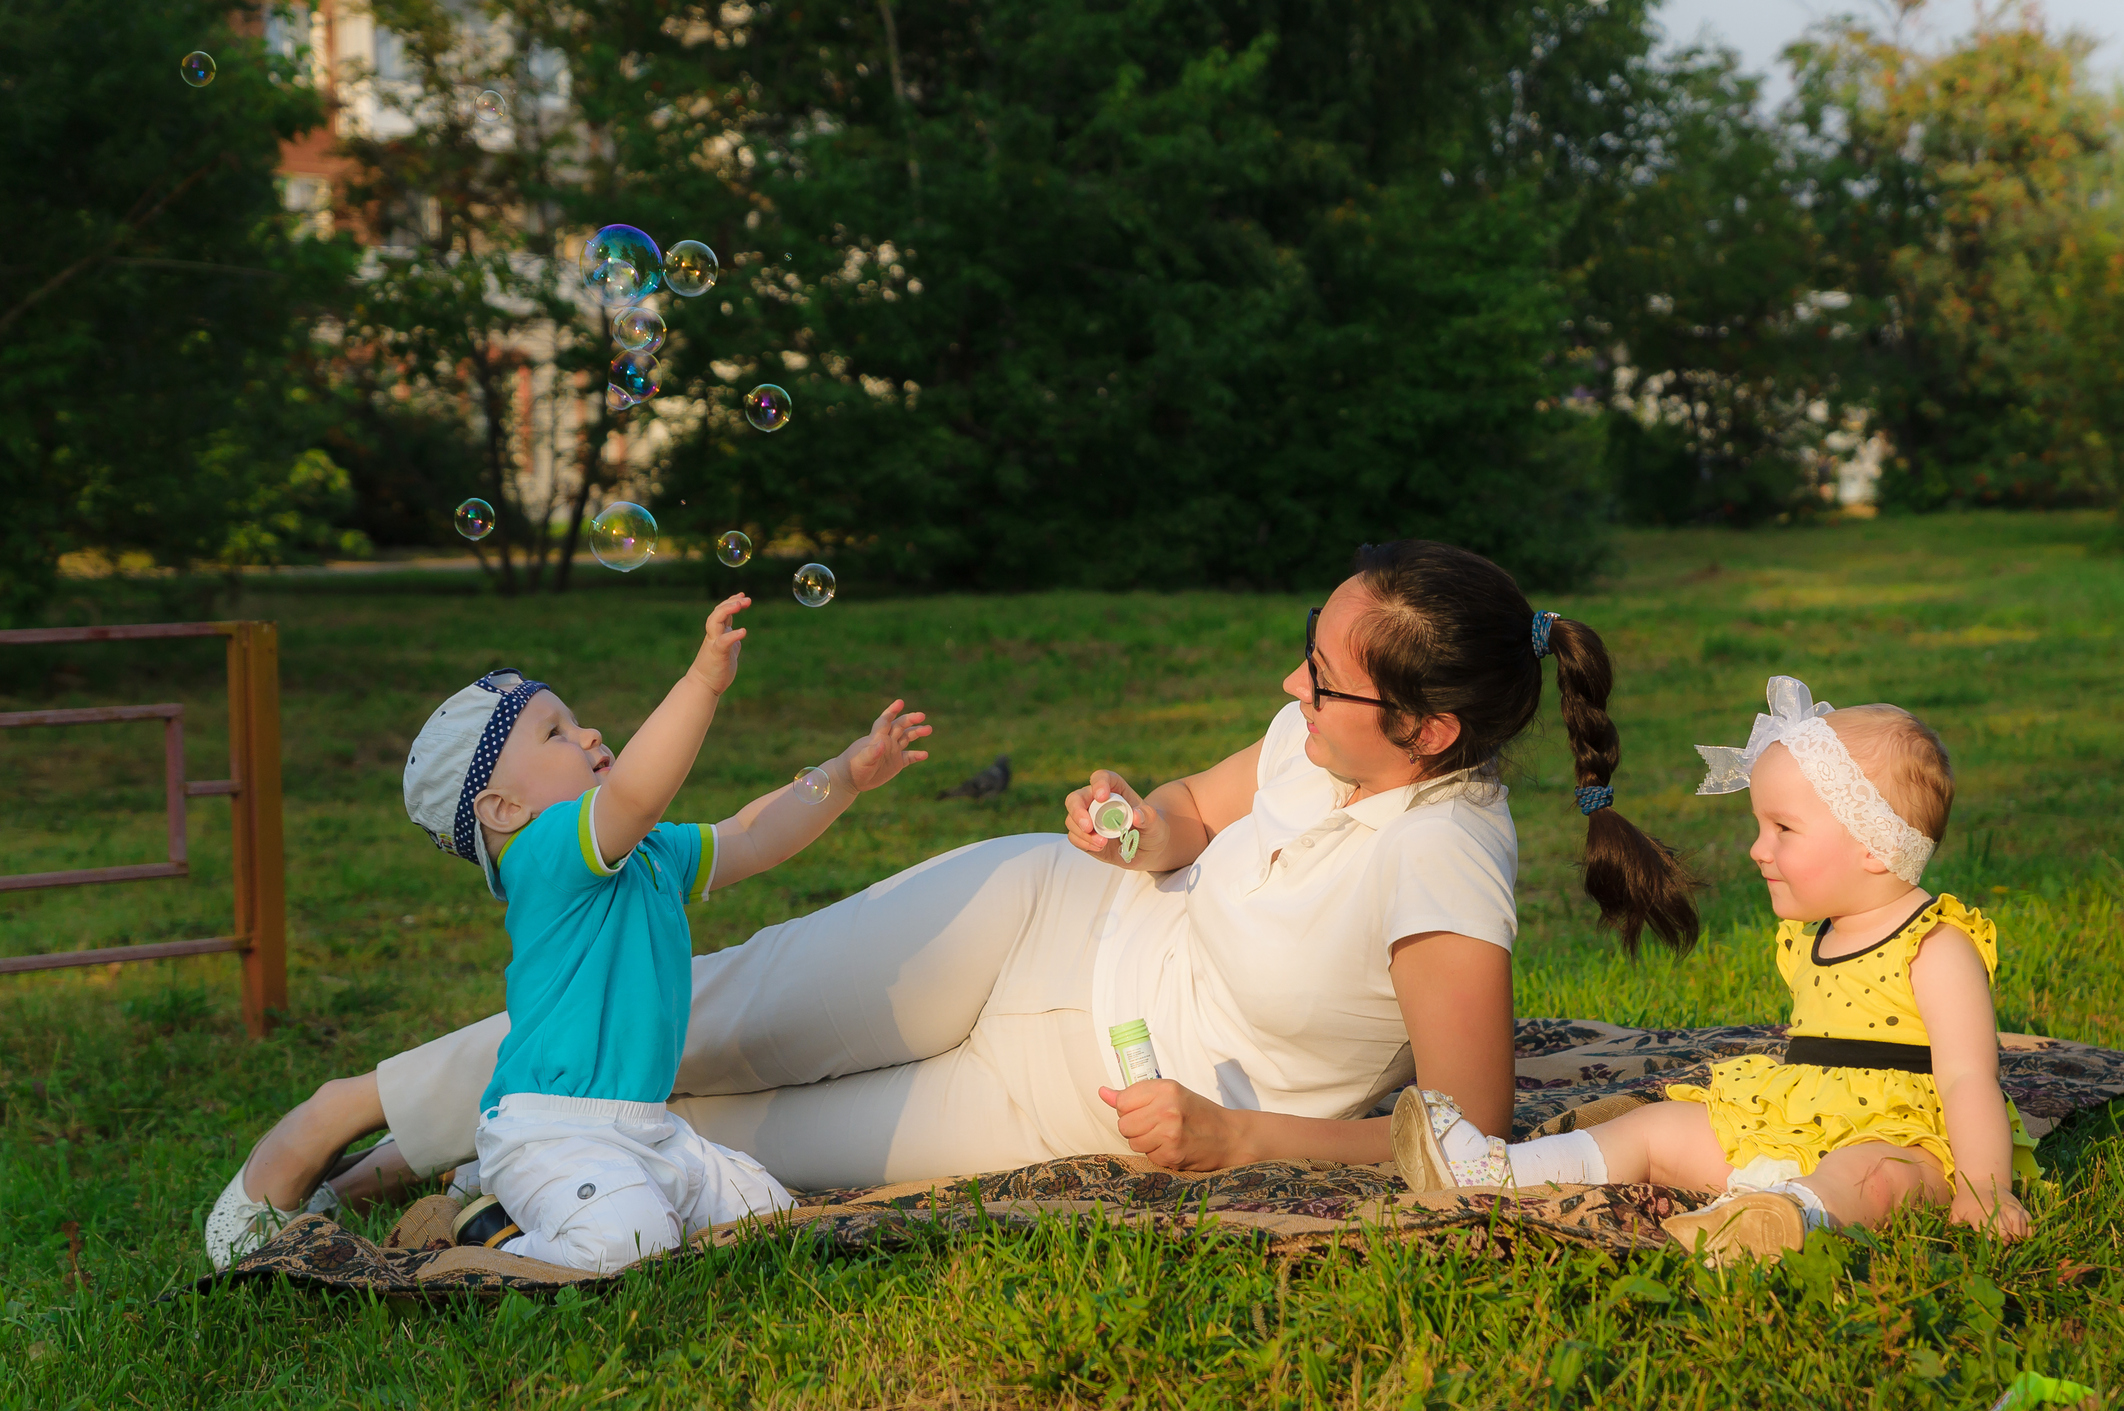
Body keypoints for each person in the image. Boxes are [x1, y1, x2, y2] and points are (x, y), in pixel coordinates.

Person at [208, 540, 1698, 1259]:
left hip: (1072, 1090)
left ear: (1431, 731)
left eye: (1326, 678)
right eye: (1306, 654)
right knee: (696, 1011)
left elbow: (1470, 1141)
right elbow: (1187, 809)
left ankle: (483, 1171)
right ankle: (360, 1108)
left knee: (712, 1136)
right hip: (1036, 914)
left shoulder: (1446, 875)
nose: (1296, 688)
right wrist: (1132, 817)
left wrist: (1242, 1135)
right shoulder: (1321, 732)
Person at [205, 593, 938, 1270]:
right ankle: (481, 1229)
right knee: (631, 1243)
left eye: (573, 718)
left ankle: (518, 1207)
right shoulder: (548, 851)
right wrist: (701, 683)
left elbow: (748, 835)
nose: (587, 730)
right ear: (501, 809)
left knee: (771, 1218)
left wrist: (842, 775)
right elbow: (637, 792)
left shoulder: (644, 850)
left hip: (645, 1125)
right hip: (549, 1129)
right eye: (555, 732)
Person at [1395, 676, 2039, 1263]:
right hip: (1790, 1116)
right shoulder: (1817, 934)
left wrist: (1987, 1189)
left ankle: (1787, 1216)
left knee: (1872, 1178)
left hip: (1903, 1133)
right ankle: (1496, 1171)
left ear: (1872, 848)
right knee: (1656, 1128)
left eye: (1783, 828)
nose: (1759, 849)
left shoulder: (1936, 944)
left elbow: (1966, 1080)